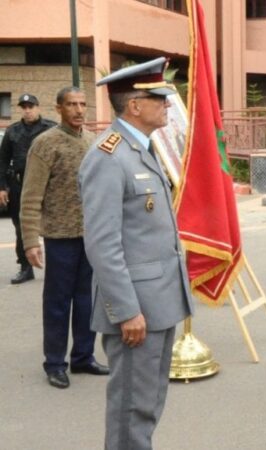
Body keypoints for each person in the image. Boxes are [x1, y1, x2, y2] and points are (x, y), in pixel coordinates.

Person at [79, 57, 194, 449]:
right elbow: (102, 243)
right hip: (137, 309)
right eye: (158, 98)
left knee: (147, 404)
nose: (166, 104)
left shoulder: (139, 148)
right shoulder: (108, 156)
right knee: (132, 409)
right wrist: (126, 310)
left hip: (158, 302)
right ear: (134, 106)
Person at [18, 87, 108, 389]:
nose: (79, 110)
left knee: (87, 300)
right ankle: (55, 363)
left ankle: (83, 356)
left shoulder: (91, 141)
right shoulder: (44, 144)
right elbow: (30, 198)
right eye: (72, 104)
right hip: (59, 237)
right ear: (58, 108)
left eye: (83, 104)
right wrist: (31, 241)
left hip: (90, 237)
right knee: (58, 303)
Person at [0, 93, 56, 284]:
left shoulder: (51, 128)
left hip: (48, 184)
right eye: (24, 107)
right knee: (21, 227)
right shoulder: (12, 131)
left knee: (53, 225)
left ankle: (57, 267)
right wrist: (2, 187)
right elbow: (3, 160)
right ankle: (25, 267)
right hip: (19, 184)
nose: (27, 110)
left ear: (38, 107)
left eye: (30, 106)